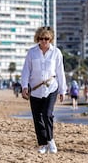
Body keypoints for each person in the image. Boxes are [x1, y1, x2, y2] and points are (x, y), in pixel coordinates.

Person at [21, 26, 67, 154]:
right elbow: (26, 70)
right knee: (37, 117)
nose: (44, 41)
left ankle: (51, 140)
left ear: (50, 39)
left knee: (47, 114)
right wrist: (24, 86)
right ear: (38, 39)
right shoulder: (32, 52)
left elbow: (60, 72)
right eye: (41, 38)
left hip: (51, 88)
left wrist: (63, 90)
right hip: (35, 89)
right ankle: (42, 144)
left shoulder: (56, 52)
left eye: (46, 38)